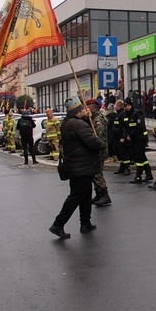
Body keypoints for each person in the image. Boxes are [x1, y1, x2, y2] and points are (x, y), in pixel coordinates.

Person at [49, 99, 106, 238]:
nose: (84, 111)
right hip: (81, 167)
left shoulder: (68, 123)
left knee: (86, 195)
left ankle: (85, 222)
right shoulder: (79, 125)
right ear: (77, 112)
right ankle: (58, 224)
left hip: (76, 166)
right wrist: (101, 143)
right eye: (82, 110)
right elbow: (93, 142)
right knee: (75, 197)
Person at [85, 99, 112, 207]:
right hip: (96, 150)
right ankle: (99, 193)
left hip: (99, 150)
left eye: (87, 107)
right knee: (94, 172)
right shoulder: (91, 118)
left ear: (91, 108)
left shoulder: (98, 119)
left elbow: (99, 136)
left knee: (96, 172)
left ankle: (105, 195)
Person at [124, 98, 153, 183]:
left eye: (128, 106)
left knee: (139, 158)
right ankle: (148, 174)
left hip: (140, 138)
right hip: (133, 139)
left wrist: (130, 135)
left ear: (131, 105)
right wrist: (126, 136)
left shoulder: (137, 113)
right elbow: (125, 127)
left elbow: (139, 127)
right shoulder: (126, 115)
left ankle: (138, 176)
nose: (127, 107)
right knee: (142, 157)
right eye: (125, 106)